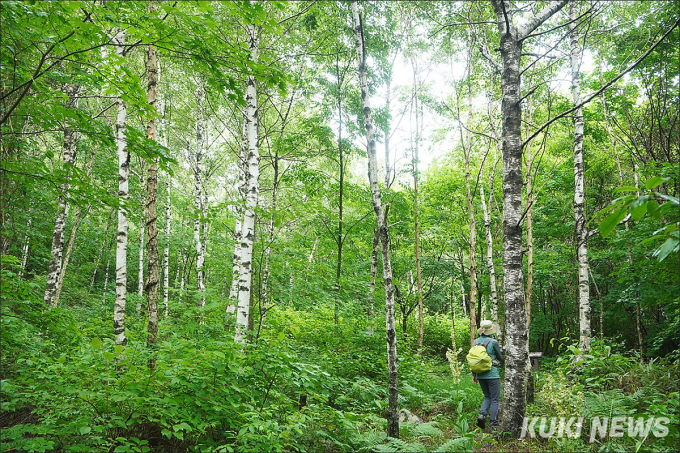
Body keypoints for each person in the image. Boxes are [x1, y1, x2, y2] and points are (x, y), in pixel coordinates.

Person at [472, 319, 503, 430]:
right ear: (491, 330)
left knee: (487, 396)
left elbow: (474, 359)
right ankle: (494, 423)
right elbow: (500, 358)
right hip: (492, 374)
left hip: (480, 374)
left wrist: (474, 375)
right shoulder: (493, 342)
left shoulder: (475, 342)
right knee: (495, 399)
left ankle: (482, 414)